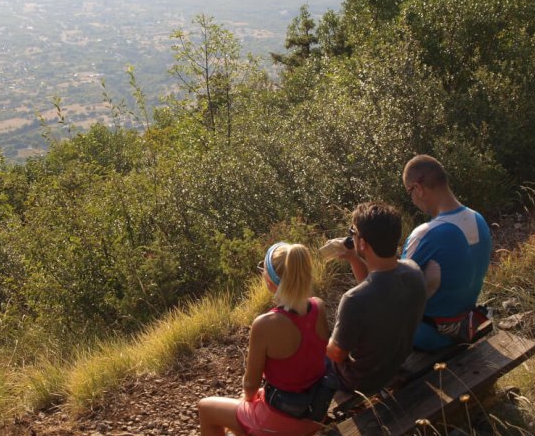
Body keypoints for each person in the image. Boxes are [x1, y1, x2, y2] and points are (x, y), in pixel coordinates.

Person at [198, 242, 331, 436]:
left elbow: (250, 385)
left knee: (206, 407)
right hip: (315, 412)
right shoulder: (318, 307)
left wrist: (248, 398)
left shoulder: (265, 324)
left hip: (283, 421)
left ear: (270, 282)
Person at [325, 202, 427, 394]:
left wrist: (322, 336)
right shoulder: (413, 270)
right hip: (395, 362)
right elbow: (376, 286)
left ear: (362, 243)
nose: (350, 236)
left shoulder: (353, 300)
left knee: (319, 349)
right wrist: (354, 258)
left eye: (352, 231)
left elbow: (336, 354)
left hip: (362, 381)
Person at [401, 154, 493, 351]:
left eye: (410, 193)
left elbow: (394, 290)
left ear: (418, 188)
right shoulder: (479, 220)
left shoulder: (425, 234)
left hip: (430, 337)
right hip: (467, 324)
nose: (413, 200)